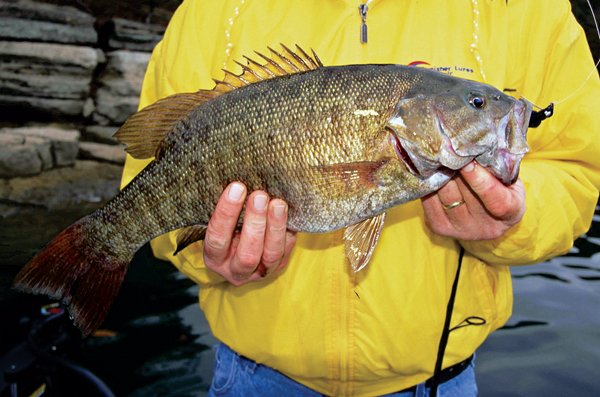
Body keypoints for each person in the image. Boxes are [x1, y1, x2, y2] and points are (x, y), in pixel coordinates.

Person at [120, 0, 600, 395]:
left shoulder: (527, 8)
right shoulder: (211, 10)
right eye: (477, 103)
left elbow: (576, 170)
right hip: (253, 379)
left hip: (438, 380)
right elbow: (150, 178)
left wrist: (517, 217)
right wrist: (211, 255)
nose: (494, 111)